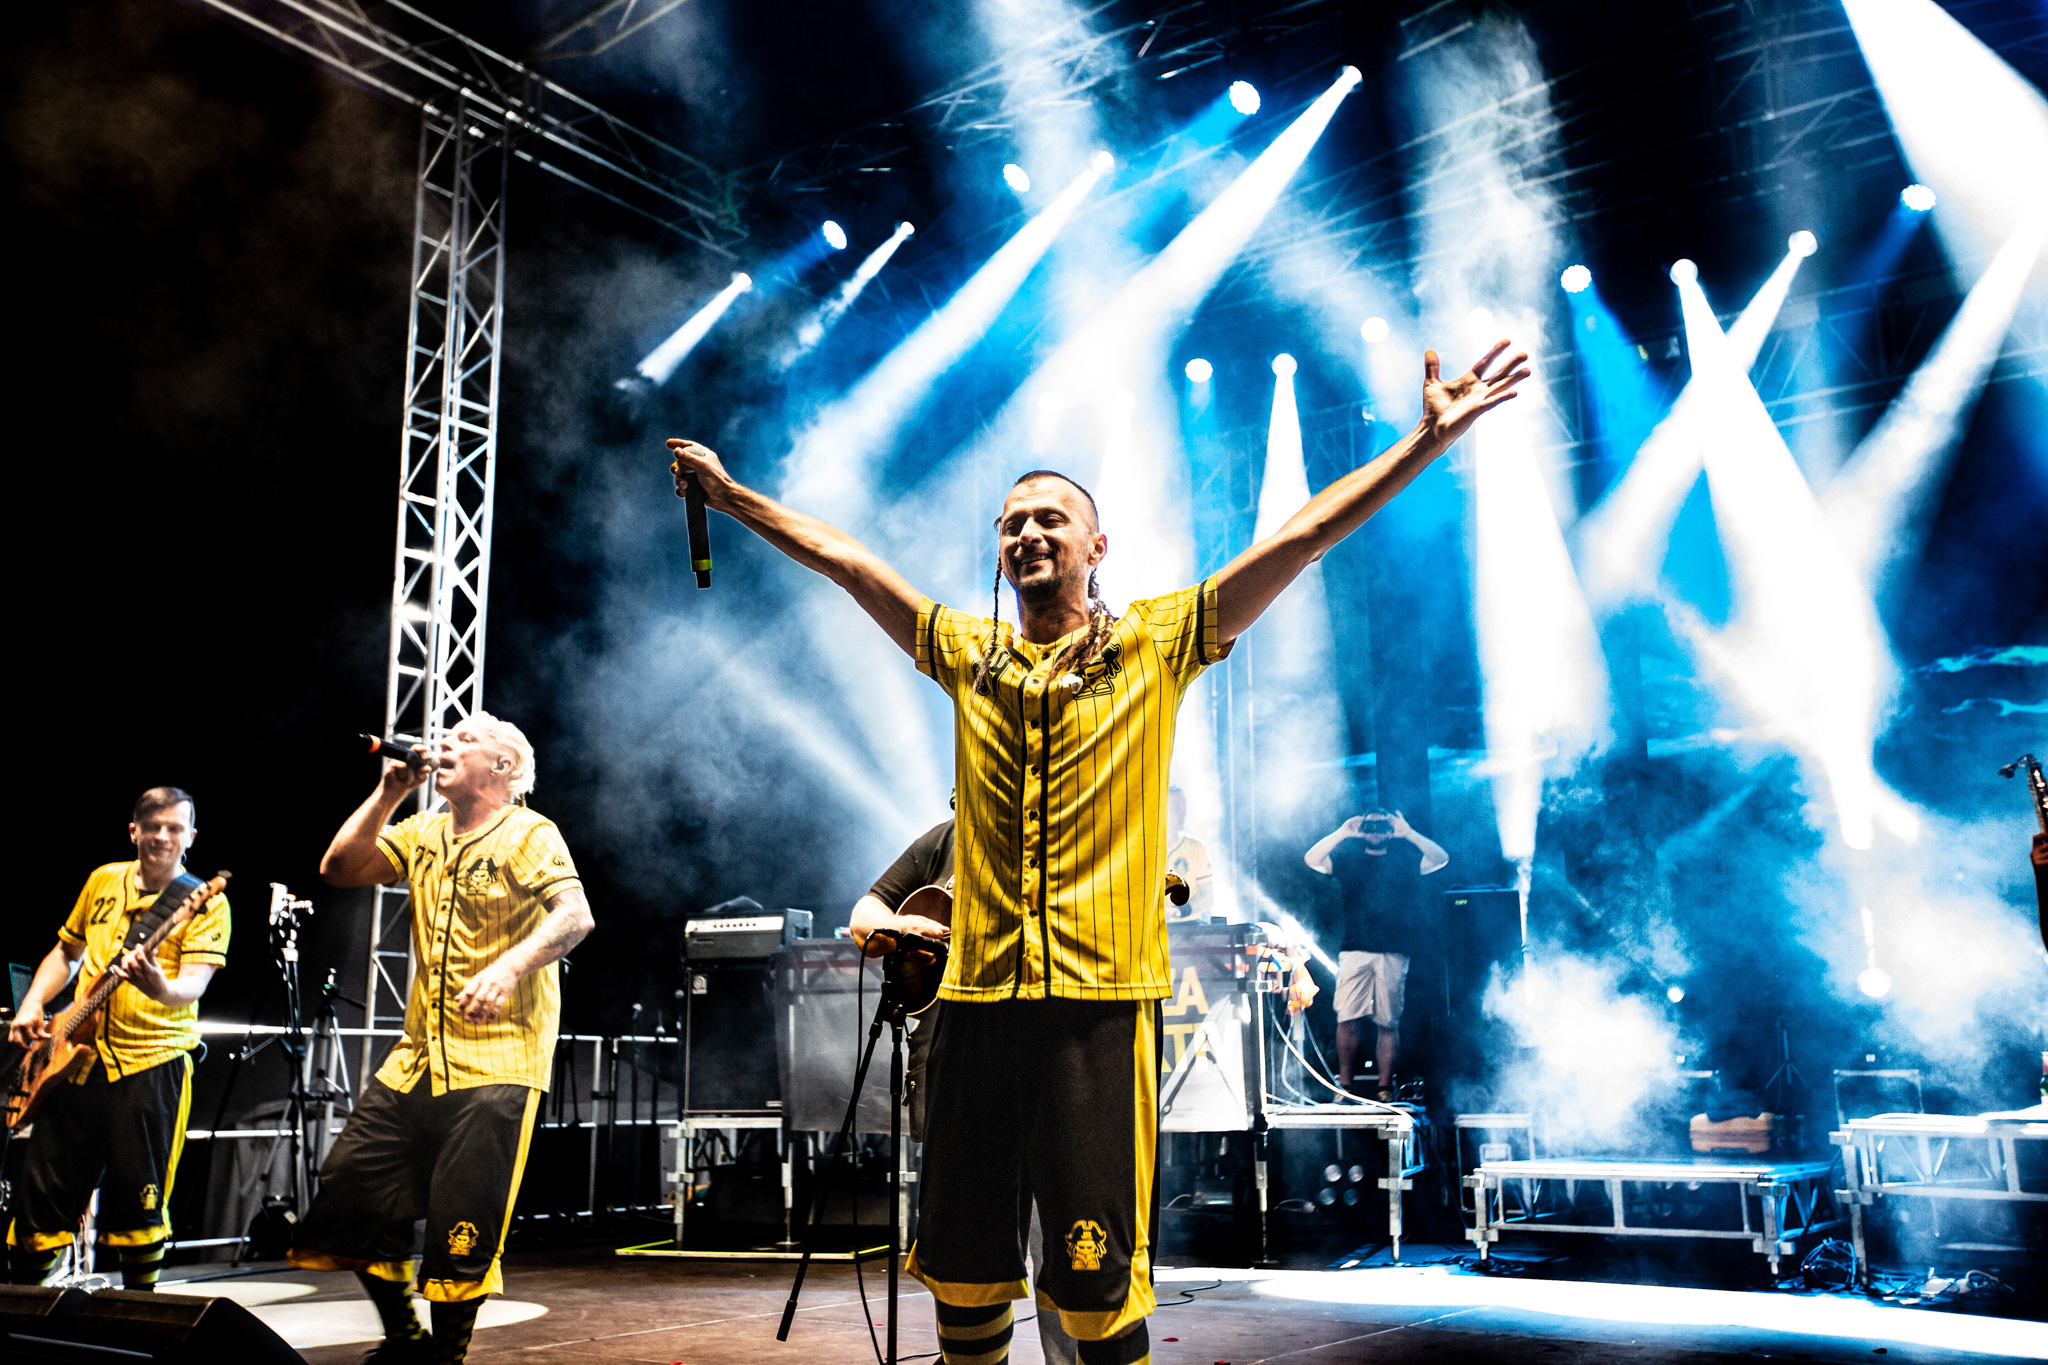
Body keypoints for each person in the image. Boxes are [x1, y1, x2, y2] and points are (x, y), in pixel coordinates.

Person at [668, 340, 1525, 1365]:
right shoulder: (967, 653)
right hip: (974, 1007)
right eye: (1010, 523)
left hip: (1096, 1007)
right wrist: (733, 497)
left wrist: (1426, 441)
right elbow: (848, 562)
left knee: (1093, 1282)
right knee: (965, 1269)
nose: (1027, 532)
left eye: (1049, 518)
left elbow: (1302, 537)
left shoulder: (1157, 642)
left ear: (1096, 546)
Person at [287, 714, 593, 1365]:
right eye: (445, 736)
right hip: (417, 1058)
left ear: (503, 766)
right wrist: (390, 792)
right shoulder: (424, 830)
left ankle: (446, 1359)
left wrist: (509, 967)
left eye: (465, 738)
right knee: (353, 1191)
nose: (445, 742)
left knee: (462, 1224)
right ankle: (405, 1337)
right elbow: (339, 867)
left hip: (499, 1060)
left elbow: (575, 915)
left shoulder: (529, 833)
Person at [850, 818, 1079, 1365]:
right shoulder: (946, 840)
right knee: (967, 1248)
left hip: (1047, 1058)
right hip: (955, 1061)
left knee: (1062, 1245)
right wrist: (903, 926)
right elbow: (865, 916)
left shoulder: (1063, 830)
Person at [6, 786, 231, 1291]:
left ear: (191, 836)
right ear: (134, 831)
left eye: (174, 828)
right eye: (153, 826)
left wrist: (160, 987)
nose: (162, 836)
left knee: (139, 1205)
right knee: (41, 1200)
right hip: (74, 1059)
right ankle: (20, 1315)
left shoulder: (208, 903)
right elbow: (66, 952)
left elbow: (192, 986)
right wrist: (33, 1003)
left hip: (153, 1062)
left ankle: (138, 1315)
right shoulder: (103, 879)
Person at [1304, 808, 1449, 1100]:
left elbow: (1440, 859)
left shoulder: (1404, 860)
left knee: (1388, 1022)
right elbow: (1312, 859)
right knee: (1347, 1018)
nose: (1376, 830)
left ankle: (1385, 1087)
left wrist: (1408, 833)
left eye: (1382, 825)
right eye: (1370, 825)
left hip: (1394, 949)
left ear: (1390, 829)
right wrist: (1343, 832)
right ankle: (1345, 1086)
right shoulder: (1349, 860)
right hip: (1355, 948)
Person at [1162, 787, 1215, 923]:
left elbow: (1208, 897)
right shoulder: (1142, 849)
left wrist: (1182, 910)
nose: (1182, 814)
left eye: (1183, 808)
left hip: (1189, 928)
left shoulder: (1197, 848)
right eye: (1175, 808)